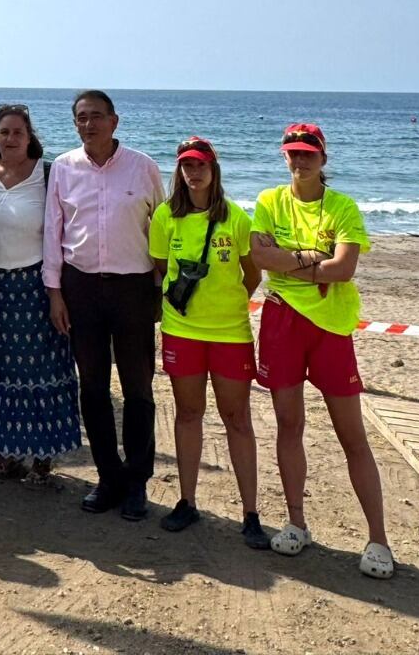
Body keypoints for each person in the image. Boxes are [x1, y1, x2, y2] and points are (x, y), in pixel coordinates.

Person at [249, 123, 393, 579]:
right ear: (283, 156)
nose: (300, 159)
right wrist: (315, 258)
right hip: (281, 321)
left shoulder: (343, 206)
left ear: (323, 158)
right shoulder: (270, 201)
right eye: (293, 152)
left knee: (352, 435)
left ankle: (378, 540)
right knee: (289, 425)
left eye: (308, 152)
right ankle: (296, 522)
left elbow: (344, 269)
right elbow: (260, 258)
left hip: (331, 326)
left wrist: (292, 260)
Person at [44, 89, 165, 520]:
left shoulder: (143, 167)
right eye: (81, 117)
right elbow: (52, 233)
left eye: (97, 116)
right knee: (92, 389)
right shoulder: (62, 167)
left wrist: (159, 290)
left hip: (133, 288)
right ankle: (108, 477)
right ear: (74, 123)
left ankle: (136, 482)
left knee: (138, 389)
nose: (89, 124)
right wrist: (55, 292)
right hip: (80, 289)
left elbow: (163, 229)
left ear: (115, 121)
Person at [149, 137, 269, 548]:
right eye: (186, 165)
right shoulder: (166, 216)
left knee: (237, 418)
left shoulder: (236, 217)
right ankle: (187, 501)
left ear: (213, 169)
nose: (193, 172)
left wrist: (226, 305)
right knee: (188, 413)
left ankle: (250, 512)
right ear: (179, 171)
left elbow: (252, 274)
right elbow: (161, 268)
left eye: (200, 165)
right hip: (183, 331)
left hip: (230, 333)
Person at [0, 104, 80, 485]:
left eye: (17, 132)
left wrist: (56, 292)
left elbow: (61, 233)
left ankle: (42, 458)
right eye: (4, 132)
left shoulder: (48, 174)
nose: (10, 138)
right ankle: (5, 453)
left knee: (41, 373)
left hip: (35, 287)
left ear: (30, 136)